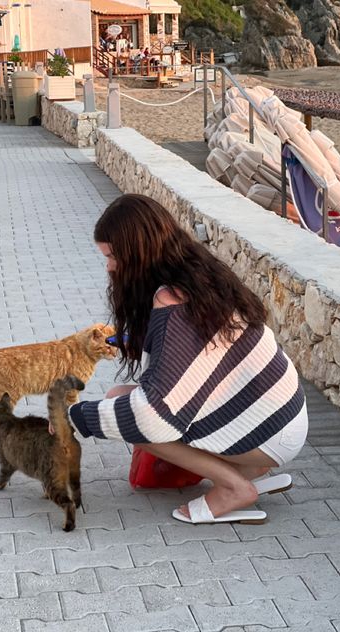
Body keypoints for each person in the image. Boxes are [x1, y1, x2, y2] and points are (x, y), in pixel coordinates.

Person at [68, 194, 308, 525]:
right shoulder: (195, 275)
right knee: (118, 398)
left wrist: (76, 418)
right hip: (280, 416)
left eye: (111, 256)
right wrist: (121, 341)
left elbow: (153, 413)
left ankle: (235, 488)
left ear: (137, 253)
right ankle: (246, 469)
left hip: (268, 430)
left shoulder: (173, 302)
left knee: (138, 420)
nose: (109, 266)